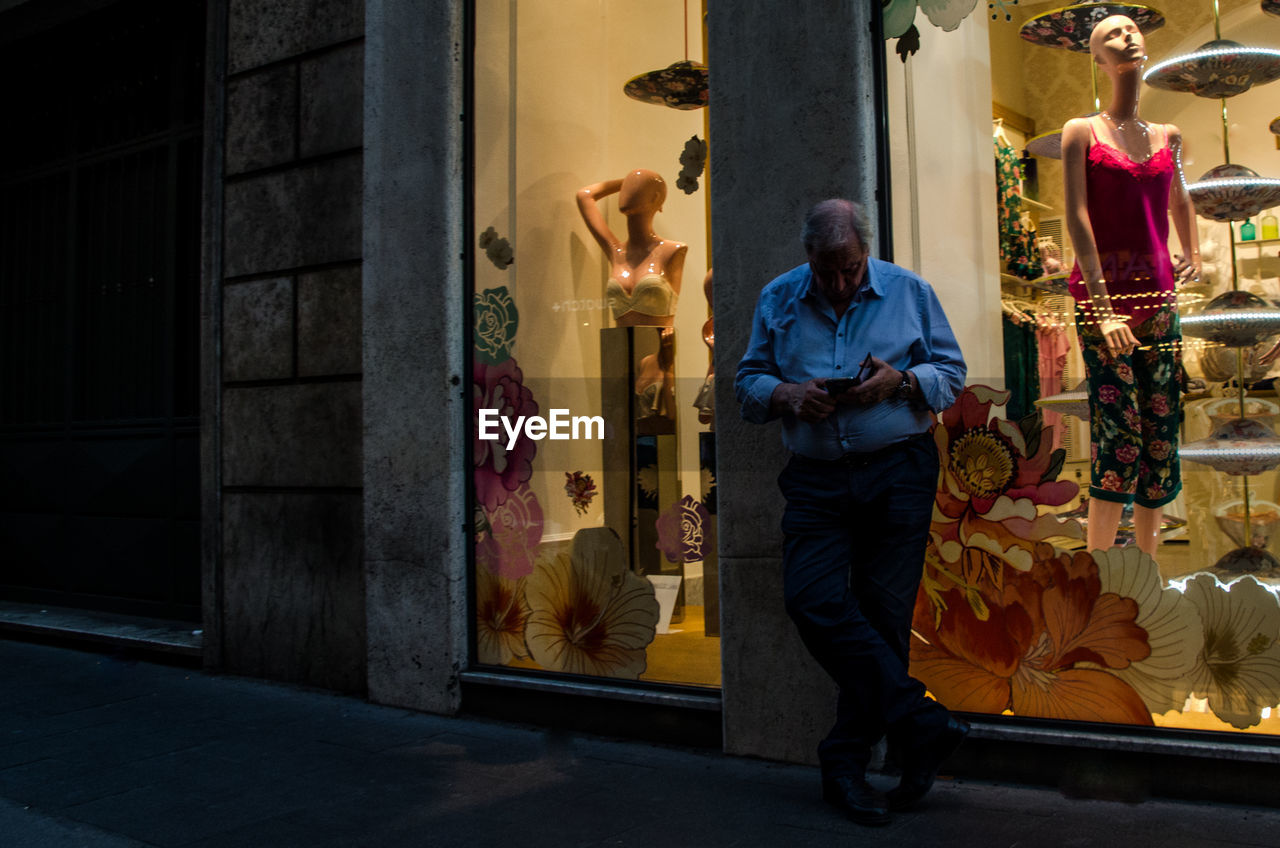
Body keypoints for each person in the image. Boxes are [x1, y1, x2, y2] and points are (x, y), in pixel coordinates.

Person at [735, 199, 968, 826]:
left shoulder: (910, 292)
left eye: (849, 269)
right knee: (810, 599)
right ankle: (922, 723)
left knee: (884, 619)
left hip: (898, 471)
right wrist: (785, 393)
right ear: (807, 256)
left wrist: (902, 382)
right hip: (815, 480)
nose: (838, 283)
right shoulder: (778, 297)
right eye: (826, 270)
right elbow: (746, 384)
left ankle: (849, 765)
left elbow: (951, 374)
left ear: (865, 251)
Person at [1062, 15, 1200, 557]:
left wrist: (1190, 251)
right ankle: (1097, 574)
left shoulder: (1169, 136)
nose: (1128, 37)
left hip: (1160, 301)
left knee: (1161, 441)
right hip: (1105, 305)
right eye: (1112, 35)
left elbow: (1180, 195)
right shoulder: (1081, 132)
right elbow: (1076, 218)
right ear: (1096, 58)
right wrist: (1103, 307)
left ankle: (1149, 573)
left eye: (1132, 29)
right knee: (1118, 439)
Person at [576, 169, 687, 327]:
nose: (626, 190)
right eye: (627, 186)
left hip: (658, 350)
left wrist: (644, 182)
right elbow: (584, 196)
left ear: (656, 198)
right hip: (617, 350)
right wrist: (626, 181)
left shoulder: (673, 250)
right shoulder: (617, 253)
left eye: (635, 186)